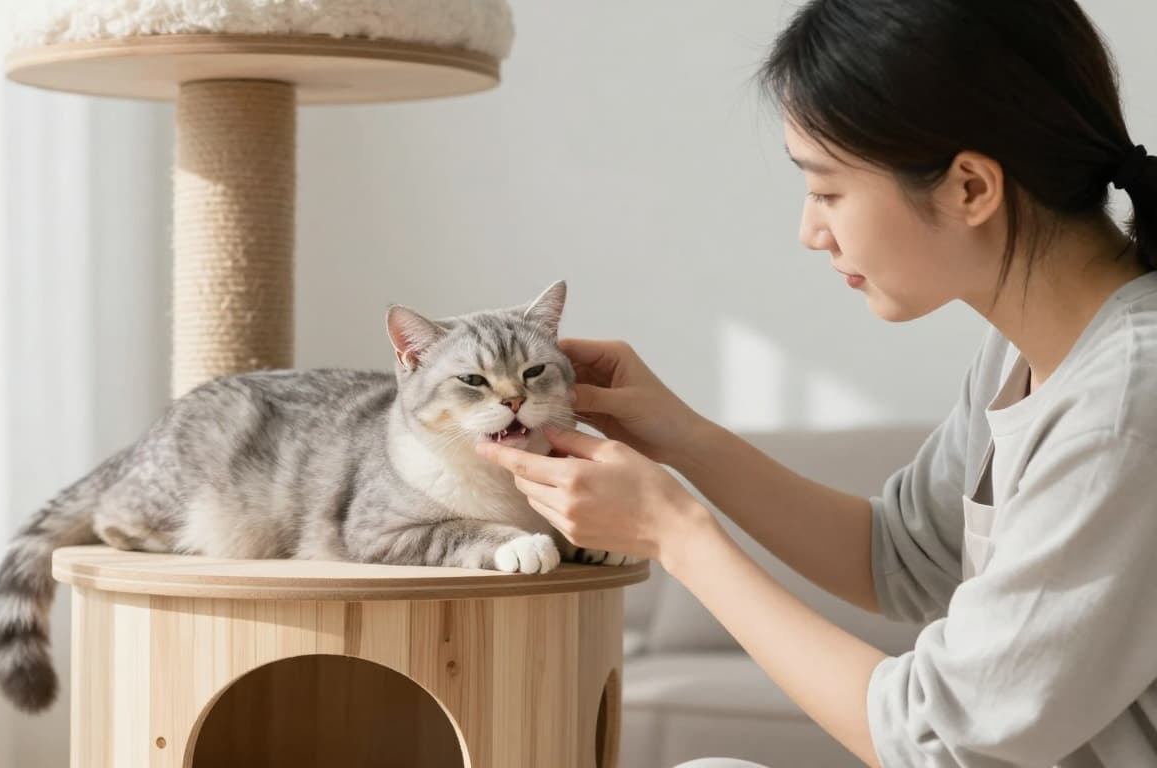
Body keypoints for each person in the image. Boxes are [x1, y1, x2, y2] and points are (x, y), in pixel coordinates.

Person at [475, 1, 1157, 766]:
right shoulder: (1026, 349)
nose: (811, 231)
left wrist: (678, 535)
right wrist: (684, 439)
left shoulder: (1127, 405)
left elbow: (944, 740)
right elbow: (901, 556)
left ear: (970, 187)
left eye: (827, 190)